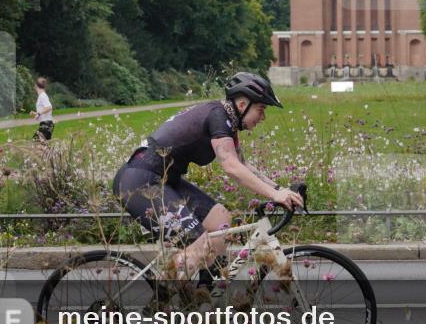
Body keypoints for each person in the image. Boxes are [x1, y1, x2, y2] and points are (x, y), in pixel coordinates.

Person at [112, 72, 303, 279]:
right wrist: (275, 196)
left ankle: (206, 294)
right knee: (199, 245)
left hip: (165, 180)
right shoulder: (218, 117)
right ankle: (163, 304)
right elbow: (230, 166)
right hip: (140, 181)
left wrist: (278, 190)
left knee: (220, 219)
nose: (263, 117)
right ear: (242, 104)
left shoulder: (226, 121)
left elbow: (242, 165)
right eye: (261, 109)